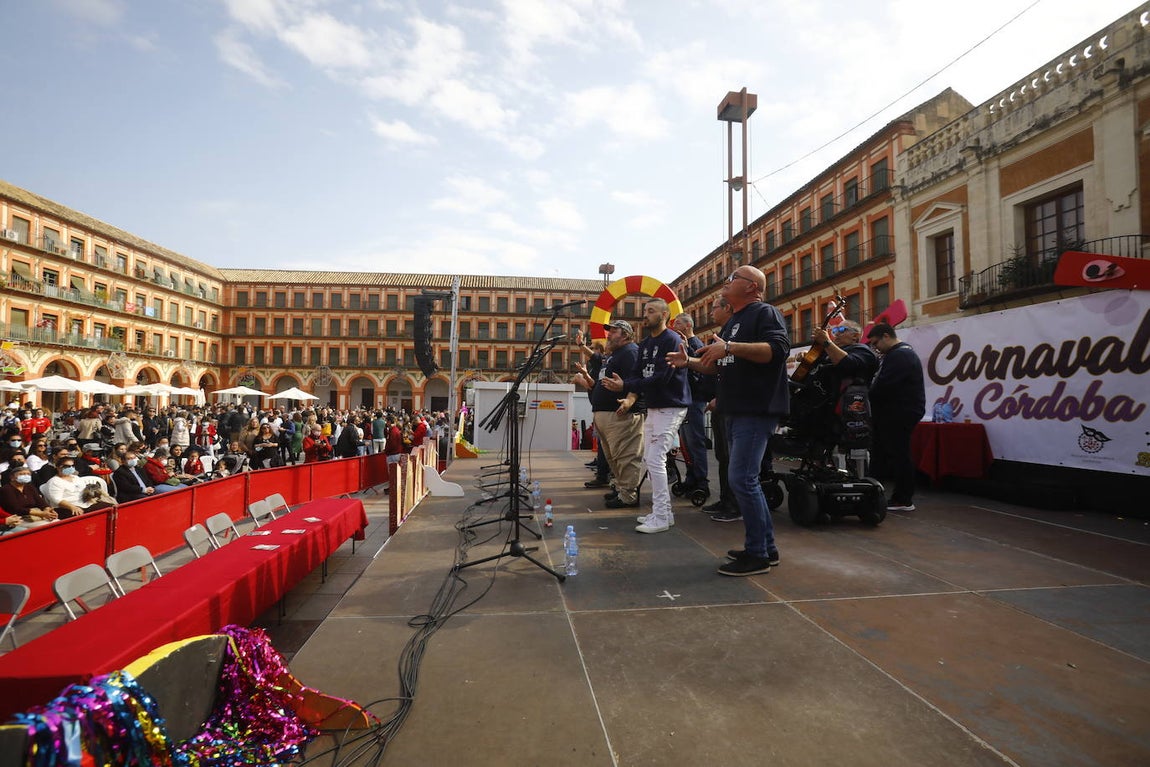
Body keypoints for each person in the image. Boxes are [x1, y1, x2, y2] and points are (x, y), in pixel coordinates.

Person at [669, 265, 790, 576]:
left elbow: (776, 351)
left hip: (755, 408)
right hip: (735, 409)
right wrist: (691, 361)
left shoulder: (765, 313)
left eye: (732, 278)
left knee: (742, 479)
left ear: (751, 286)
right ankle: (766, 548)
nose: (725, 283)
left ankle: (757, 554)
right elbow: (719, 365)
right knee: (745, 480)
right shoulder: (734, 321)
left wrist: (729, 346)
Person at [603, 299, 690, 533]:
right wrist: (625, 387)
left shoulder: (671, 339)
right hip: (654, 406)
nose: (646, 315)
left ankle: (661, 516)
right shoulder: (645, 343)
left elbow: (662, 378)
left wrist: (626, 387)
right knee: (649, 460)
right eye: (645, 311)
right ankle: (664, 513)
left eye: (651, 311)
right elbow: (636, 373)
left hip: (671, 406)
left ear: (664, 315)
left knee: (655, 460)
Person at [580, 320, 644, 509]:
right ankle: (620, 489)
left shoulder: (631, 353)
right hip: (608, 415)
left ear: (625, 335)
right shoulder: (615, 355)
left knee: (626, 456)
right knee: (614, 457)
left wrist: (629, 399)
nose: (609, 335)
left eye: (614, 331)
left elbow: (638, 380)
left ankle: (629, 495)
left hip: (622, 415)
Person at [866, 322, 926, 512]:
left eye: (876, 343)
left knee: (899, 454)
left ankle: (903, 498)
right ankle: (878, 493)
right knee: (886, 453)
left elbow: (883, 386)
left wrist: (867, 395)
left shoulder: (900, 355)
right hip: (896, 412)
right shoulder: (898, 354)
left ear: (886, 336)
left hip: (899, 412)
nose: (875, 348)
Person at [700, 296, 738, 517]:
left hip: (729, 406)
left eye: (714, 308)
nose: (710, 313)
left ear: (727, 307)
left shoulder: (732, 335)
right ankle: (725, 499)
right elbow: (717, 369)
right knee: (722, 457)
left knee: (731, 458)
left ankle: (734, 504)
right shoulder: (722, 334)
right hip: (720, 404)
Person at [672, 312, 712, 495]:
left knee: (695, 441)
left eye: (678, 323)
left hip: (695, 400)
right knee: (686, 442)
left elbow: (699, 374)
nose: (674, 326)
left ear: (688, 326)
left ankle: (701, 480)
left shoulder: (696, 345)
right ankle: (691, 477)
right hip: (684, 400)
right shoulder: (683, 346)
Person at [42, 457, 116, 515]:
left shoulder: (76, 478)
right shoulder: (54, 482)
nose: (70, 468)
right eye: (66, 466)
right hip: (67, 508)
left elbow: (84, 491)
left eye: (72, 466)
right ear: (58, 467)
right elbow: (57, 500)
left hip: (85, 504)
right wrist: (72, 507)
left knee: (111, 507)